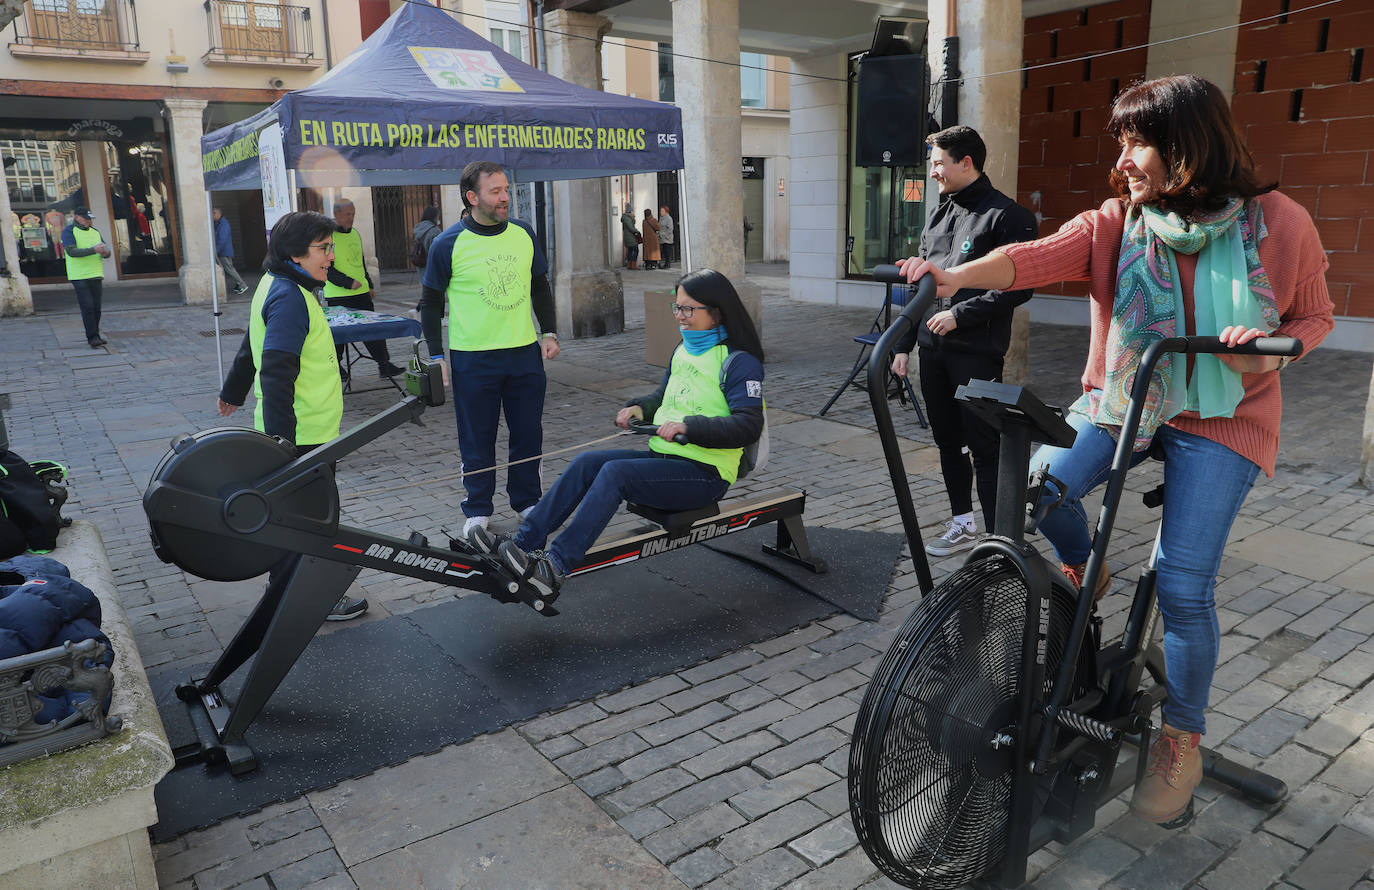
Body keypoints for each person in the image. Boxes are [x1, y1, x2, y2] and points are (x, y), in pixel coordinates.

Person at [898, 75, 1334, 826]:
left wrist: (1269, 356)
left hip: (1224, 417)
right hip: (1127, 397)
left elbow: (1314, 317)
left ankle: (1181, 736)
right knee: (1037, 490)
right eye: (1122, 141)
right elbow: (1035, 257)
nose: (1125, 158)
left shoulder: (1278, 224)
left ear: (1189, 143)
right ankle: (1087, 569)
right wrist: (954, 277)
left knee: (1183, 586)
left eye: (1140, 141)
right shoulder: (1118, 222)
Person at [465, 268, 764, 605]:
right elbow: (662, 398)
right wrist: (639, 408)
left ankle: (554, 568)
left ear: (717, 311)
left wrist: (689, 427)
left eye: (688, 309)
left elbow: (747, 425)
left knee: (615, 474)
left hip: (705, 475)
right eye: (676, 307)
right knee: (587, 462)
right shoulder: (683, 350)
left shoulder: (740, 363)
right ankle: (523, 545)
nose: (679, 316)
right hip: (666, 459)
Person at [890, 125, 1038, 557]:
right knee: (946, 443)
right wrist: (902, 345)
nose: (933, 172)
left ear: (966, 162)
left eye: (938, 163)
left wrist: (960, 315)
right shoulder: (938, 213)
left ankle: (997, 539)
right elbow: (921, 285)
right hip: (933, 351)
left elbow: (1020, 286)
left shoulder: (1009, 216)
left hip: (976, 352)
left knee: (983, 446)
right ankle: (962, 524)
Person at [216, 211, 367, 621]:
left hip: (298, 429)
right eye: (324, 248)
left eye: (331, 247)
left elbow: (252, 343)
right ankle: (303, 601)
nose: (331, 257)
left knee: (292, 521)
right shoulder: (289, 296)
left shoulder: (277, 284)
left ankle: (288, 596)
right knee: (308, 523)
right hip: (301, 434)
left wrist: (233, 390)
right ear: (295, 254)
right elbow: (277, 368)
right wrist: (283, 446)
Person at [419, 160, 560, 544]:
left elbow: (540, 286)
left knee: (528, 433)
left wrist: (549, 332)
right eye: (496, 191)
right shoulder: (447, 244)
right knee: (477, 437)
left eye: (506, 191)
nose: (504, 198)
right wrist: (436, 356)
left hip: (523, 354)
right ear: (472, 197)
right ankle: (478, 508)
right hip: (472, 357)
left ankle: (528, 501)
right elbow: (430, 305)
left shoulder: (524, 233)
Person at [323, 198, 405, 379]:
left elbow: (360, 264)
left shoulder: (355, 234)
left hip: (361, 294)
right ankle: (336, 368)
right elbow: (327, 268)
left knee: (373, 330)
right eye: (347, 214)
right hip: (338, 296)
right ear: (336, 214)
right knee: (338, 337)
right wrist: (348, 282)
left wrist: (369, 284)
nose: (351, 218)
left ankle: (384, 364)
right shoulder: (328, 237)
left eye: (353, 214)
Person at [60, 206, 110, 348]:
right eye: (86, 218)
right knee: (87, 306)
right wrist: (93, 250)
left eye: (90, 219)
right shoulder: (68, 231)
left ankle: (96, 334)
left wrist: (105, 253)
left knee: (96, 308)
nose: (88, 221)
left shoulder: (95, 232)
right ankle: (92, 337)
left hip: (95, 274)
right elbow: (71, 251)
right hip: (79, 275)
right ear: (77, 217)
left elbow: (105, 249)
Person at [213, 207, 249, 295]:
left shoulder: (223, 224)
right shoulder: (218, 223)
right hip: (223, 251)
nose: (212, 215)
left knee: (229, 269)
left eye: (214, 213)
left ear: (219, 214)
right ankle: (239, 284)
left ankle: (242, 285)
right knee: (230, 269)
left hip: (224, 252)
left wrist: (216, 251)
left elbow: (222, 239)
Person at [621, 204, 640, 270]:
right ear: (630, 211)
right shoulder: (627, 218)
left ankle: (629, 264)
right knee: (636, 250)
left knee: (630, 250)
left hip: (628, 236)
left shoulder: (626, 217)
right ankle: (633, 265)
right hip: (630, 236)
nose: (633, 212)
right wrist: (637, 231)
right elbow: (631, 227)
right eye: (632, 210)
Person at [658, 205, 675, 269]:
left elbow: (670, 229)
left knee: (667, 252)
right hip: (662, 239)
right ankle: (665, 264)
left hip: (667, 239)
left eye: (662, 211)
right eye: (660, 211)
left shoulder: (669, 218)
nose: (661, 212)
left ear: (666, 212)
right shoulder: (661, 218)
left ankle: (668, 264)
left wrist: (663, 234)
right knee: (664, 252)